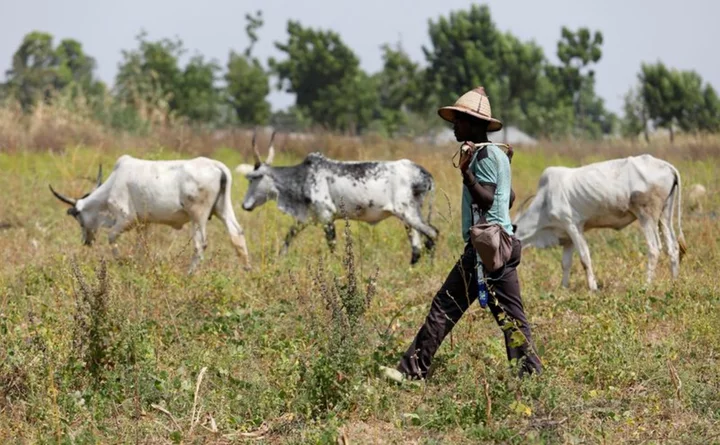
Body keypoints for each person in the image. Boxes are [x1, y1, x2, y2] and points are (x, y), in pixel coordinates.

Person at [382, 86, 542, 382]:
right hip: (497, 246)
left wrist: (467, 175)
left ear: (474, 123)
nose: (454, 126)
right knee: (508, 319)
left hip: (489, 249)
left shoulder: (483, 157)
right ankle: (530, 377)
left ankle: (411, 372)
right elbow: (508, 199)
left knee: (447, 306)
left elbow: (487, 200)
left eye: (459, 120)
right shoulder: (496, 154)